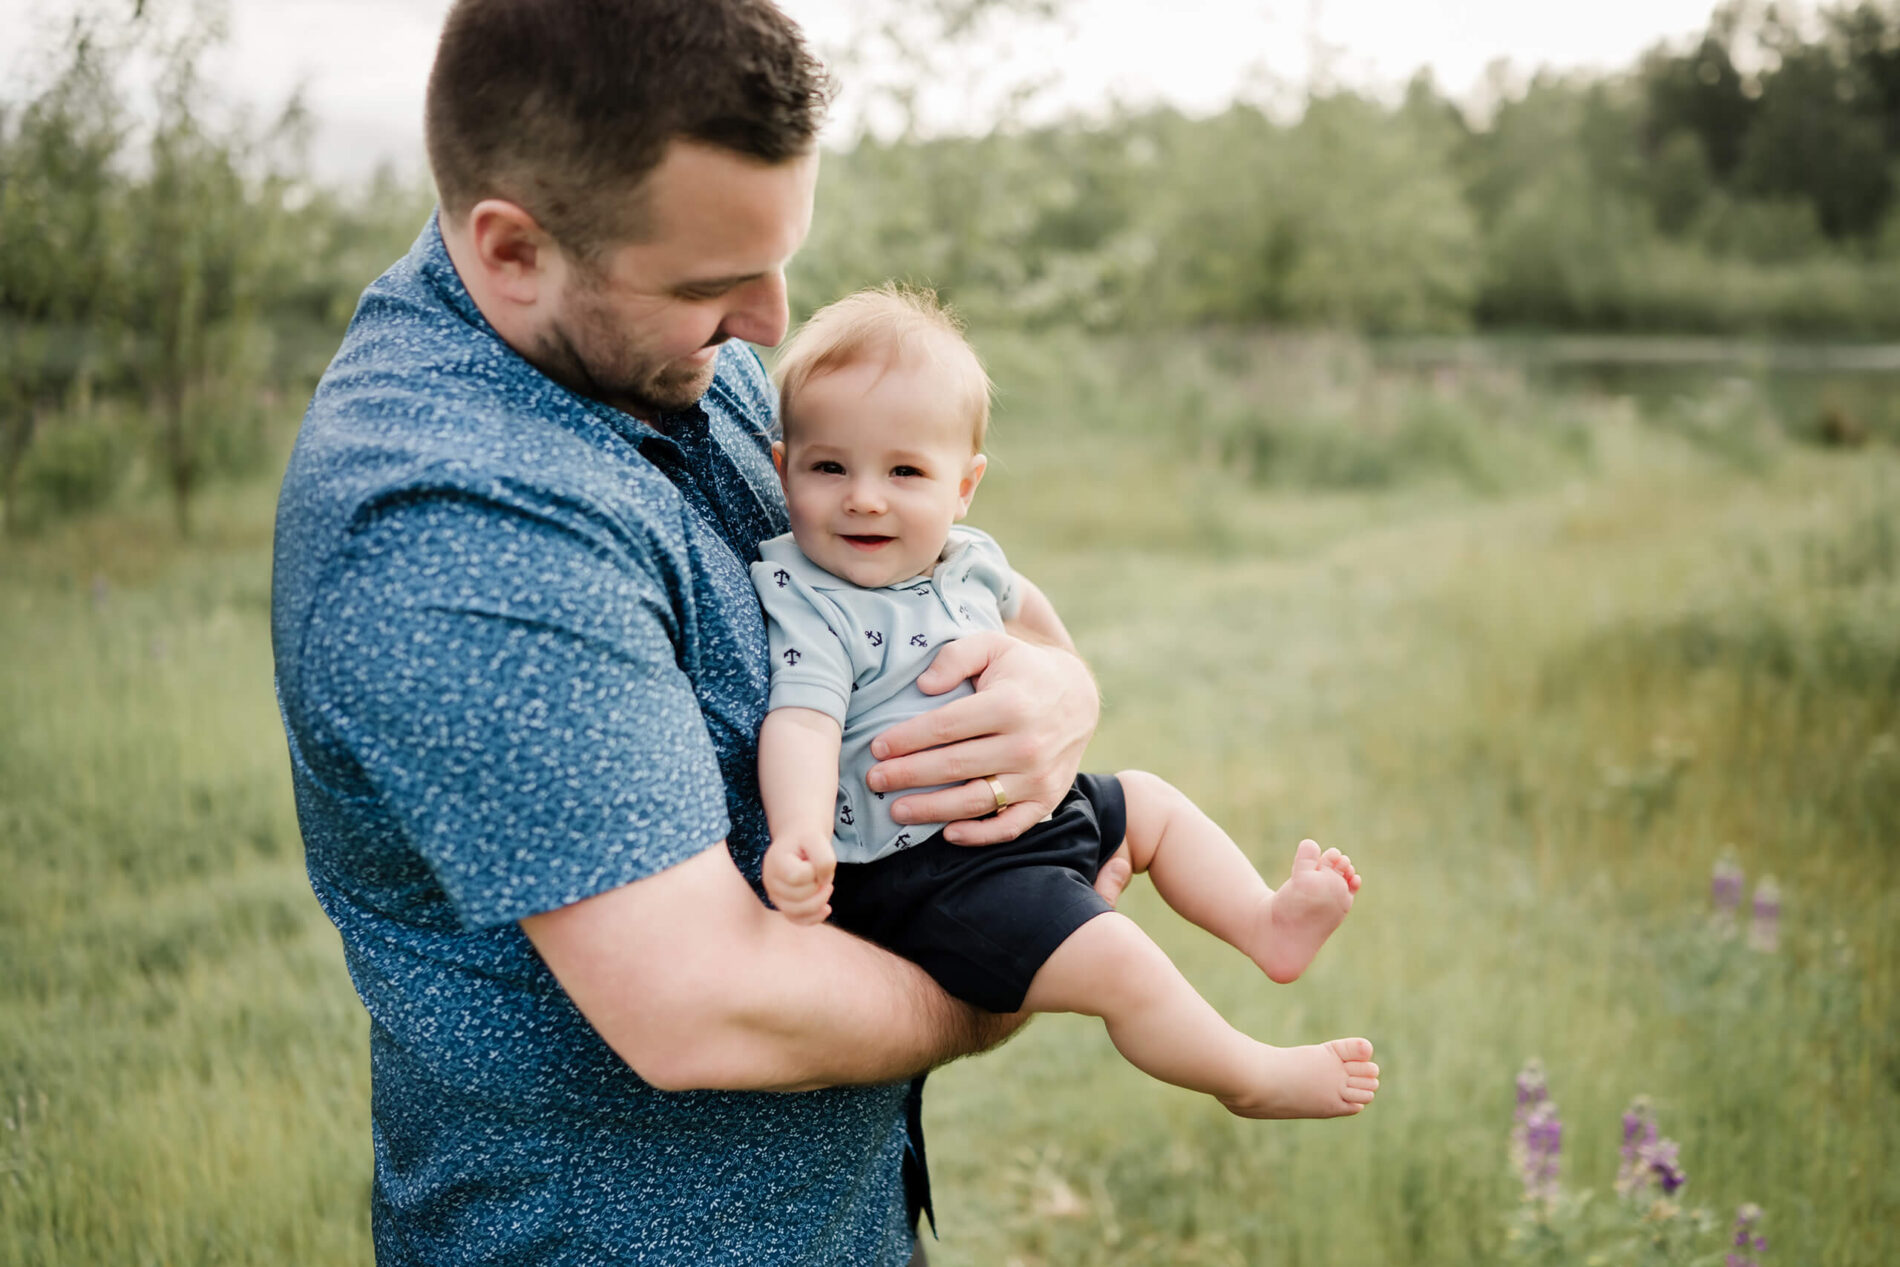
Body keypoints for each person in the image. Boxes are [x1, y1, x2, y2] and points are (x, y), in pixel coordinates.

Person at [269, 2, 1114, 1262]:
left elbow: (934, 586)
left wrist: (1057, 690)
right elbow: (705, 1009)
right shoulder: (454, 526)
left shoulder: (636, 332)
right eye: (718, 284)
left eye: (776, 260)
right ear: (512, 250)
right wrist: (1018, 964)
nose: (771, 323)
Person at [750, 286, 1381, 1119]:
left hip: (1028, 811)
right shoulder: (813, 596)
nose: (865, 496)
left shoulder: (966, 557)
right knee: (1117, 960)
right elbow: (801, 719)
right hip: (929, 873)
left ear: (965, 485)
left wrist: (1065, 677)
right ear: (780, 464)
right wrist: (796, 832)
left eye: (905, 470)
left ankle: (1266, 923)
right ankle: (1247, 1073)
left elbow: (1039, 627)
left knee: (1150, 801)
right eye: (830, 466)